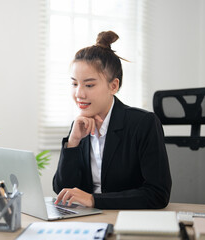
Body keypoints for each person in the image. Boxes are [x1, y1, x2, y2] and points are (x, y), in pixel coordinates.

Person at [52, 31, 172, 209]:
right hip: (88, 220)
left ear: (113, 86)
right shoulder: (80, 125)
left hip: (129, 221)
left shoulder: (143, 123)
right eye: (75, 84)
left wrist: (94, 200)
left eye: (89, 85)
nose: (79, 94)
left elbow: (157, 194)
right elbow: (62, 189)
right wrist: (73, 142)